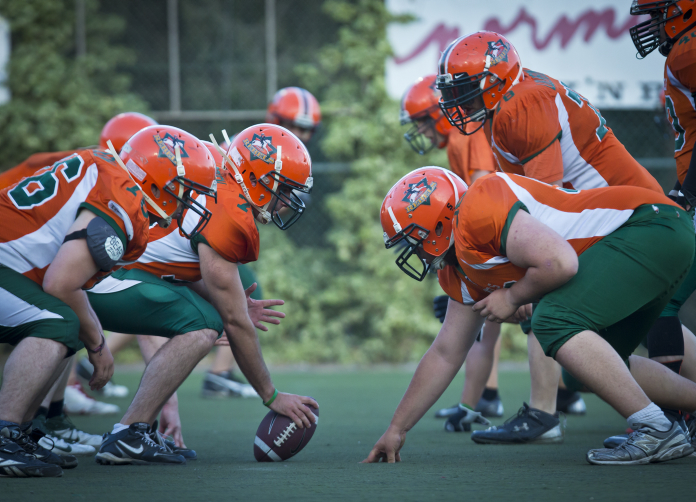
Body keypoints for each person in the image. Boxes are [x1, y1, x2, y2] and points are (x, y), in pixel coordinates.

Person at [434, 30, 689, 444]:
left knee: (550, 304)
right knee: (618, 333)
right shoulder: (512, 105)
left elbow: (541, 207)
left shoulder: (523, 104)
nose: (456, 102)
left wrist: (519, 290)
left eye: (464, 89)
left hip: (630, 221)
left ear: (495, 80)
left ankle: (543, 411)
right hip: (629, 218)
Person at [365, 166, 696, 465]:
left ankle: (655, 428)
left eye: (413, 238)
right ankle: (672, 422)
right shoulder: (458, 269)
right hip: (657, 236)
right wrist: (397, 428)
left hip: (650, 225)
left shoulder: (476, 207)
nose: (412, 250)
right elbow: (446, 352)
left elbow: (559, 262)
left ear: (437, 221)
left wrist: (512, 296)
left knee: (552, 320)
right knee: (585, 372)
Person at [87, 124, 319, 466]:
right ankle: (129, 433)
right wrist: (270, 395)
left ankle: (133, 429)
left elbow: (171, 260)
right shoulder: (232, 213)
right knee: (204, 324)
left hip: (108, 264)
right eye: (283, 189)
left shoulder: (217, 173)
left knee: (205, 316)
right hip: (102, 272)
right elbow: (235, 324)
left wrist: (235, 302)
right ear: (259, 180)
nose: (286, 200)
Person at [0, 123, 216, 477]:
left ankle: (20, 432)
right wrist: (99, 346)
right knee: (59, 323)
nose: (187, 201)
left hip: (9, 260)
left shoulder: (106, 166)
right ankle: (5, 434)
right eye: (184, 190)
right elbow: (62, 282)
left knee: (65, 321)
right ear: (158, 181)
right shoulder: (124, 198)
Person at [202, 88, 323, 399]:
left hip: (199, 233)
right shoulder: (256, 150)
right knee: (240, 298)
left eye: (307, 129)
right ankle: (219, 373)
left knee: (236, 298)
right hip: (198, 232)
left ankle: (219, 372)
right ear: (275, 119)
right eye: (295, 126)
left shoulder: (269, 147)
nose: (301, 134)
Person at [400, 74, 505, 428]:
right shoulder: (459, 139)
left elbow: (479, 199)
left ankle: (549, 405)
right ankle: (475, 403)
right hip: (501, 233)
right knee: (486, 324)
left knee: (543, 324)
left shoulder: (465, 137)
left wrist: (469, 271)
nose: (423, 132)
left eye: (423, 123)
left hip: (504, 232)